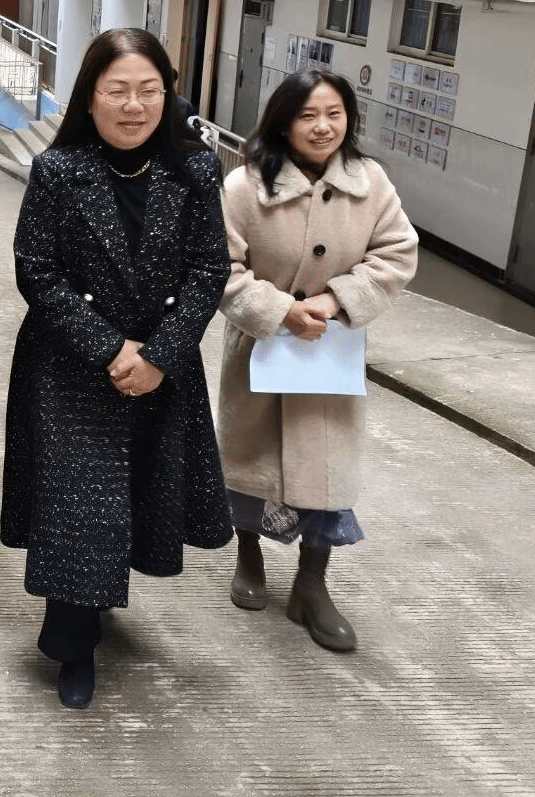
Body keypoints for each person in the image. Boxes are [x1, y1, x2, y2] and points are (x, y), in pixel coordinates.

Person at [1, 27, 232, 710]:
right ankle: (72, 646)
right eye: (117, 91)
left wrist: (160, 354)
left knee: (132, 495)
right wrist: (109, 348)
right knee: (80, 506)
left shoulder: (196, 170)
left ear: (167, 93)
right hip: (70, 366)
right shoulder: (57, 170)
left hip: (162, 364)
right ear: (89, 96)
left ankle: (98, 602)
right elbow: (36, 270)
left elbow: (210, 269)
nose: (134, 106)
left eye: (148, 90)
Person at [217, 68, 417, 652]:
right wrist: (279, 310)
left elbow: (398, 253)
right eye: (307, 115)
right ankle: (248, 555)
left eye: (335, 114)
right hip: (260, 348)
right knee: (250, 461)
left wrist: (334, 301)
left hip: (331, 352)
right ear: (282, 122)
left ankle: (311, 583)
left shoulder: (370, 182)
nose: (323, 126)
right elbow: (218, 268)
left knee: (325, 469)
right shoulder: (243, 187)